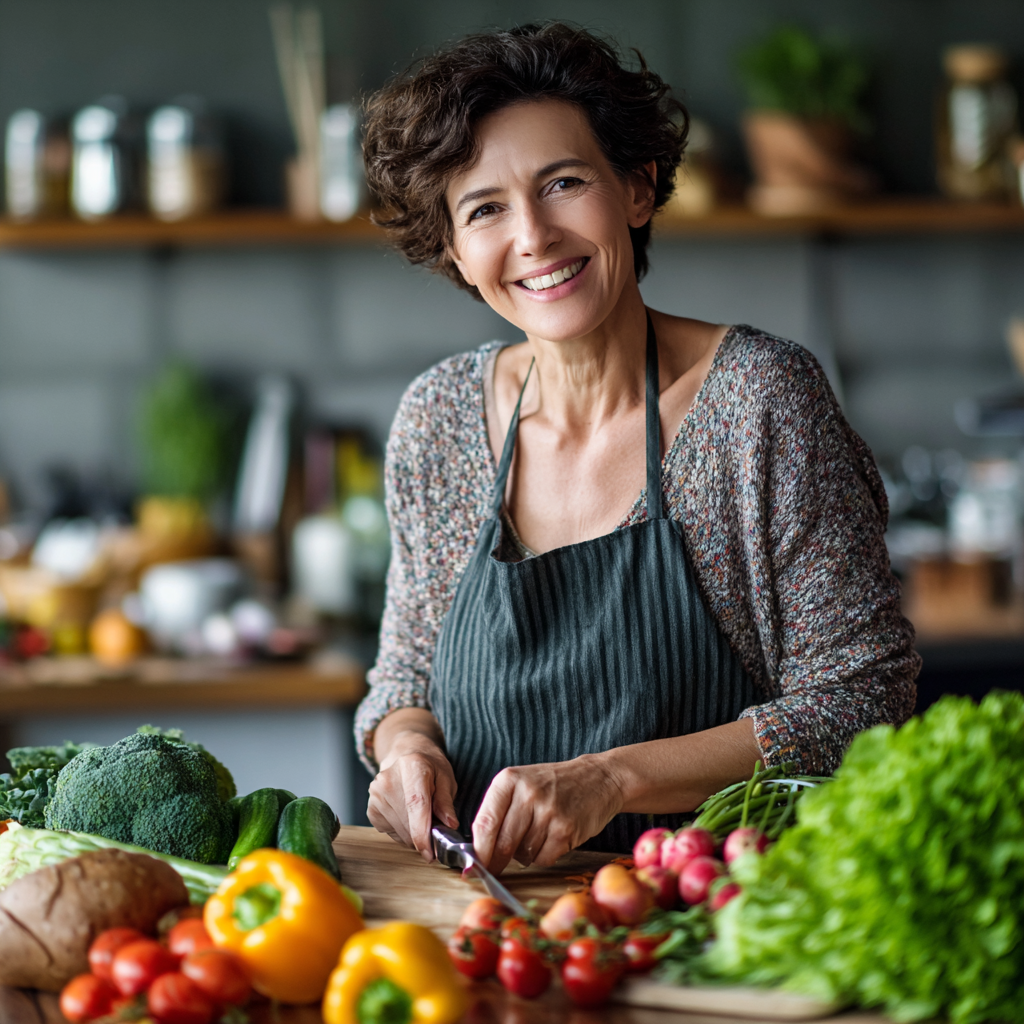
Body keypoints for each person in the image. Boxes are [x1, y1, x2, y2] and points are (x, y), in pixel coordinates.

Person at [354, 22, 919, 874]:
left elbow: (861, 704)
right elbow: (401, 681)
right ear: (458, 253)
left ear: (637, 190)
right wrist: (405, 750)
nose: (534, 237)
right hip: (493, 926)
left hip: (717, 923)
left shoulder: (759, 403)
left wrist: (610, 779)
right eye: (485, 210)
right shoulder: (437, 419)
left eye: (564, 183)